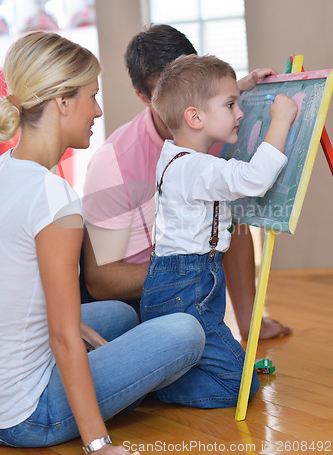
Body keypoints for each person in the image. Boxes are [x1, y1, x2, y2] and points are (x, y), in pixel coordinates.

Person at [0, 31, 206, 453]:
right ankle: (92, 417)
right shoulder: (54, 197)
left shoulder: (7, 170)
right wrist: (99, 445)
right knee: (185, 331)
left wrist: (83, 334)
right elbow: (60, 335)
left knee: (117, 315)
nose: (97, 110)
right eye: (91, 96)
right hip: (28, 415)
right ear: (61, 102)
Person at [82, 24, 291, 339]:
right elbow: (102, 280)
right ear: (143, 96)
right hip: (151, 296)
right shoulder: (113, 162)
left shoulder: (222, 129)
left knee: (229, 216)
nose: (186, 101)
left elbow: (236, 227)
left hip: (202, 290)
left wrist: (250, 323)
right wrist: (186, 267)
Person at [140, 54, 298, 407]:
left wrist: (244, 86)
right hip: (188, 288)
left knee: (229, 363)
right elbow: (255, 179)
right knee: (241, 386)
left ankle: (163, 373)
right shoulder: (196, 168)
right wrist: (281, 120)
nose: (239, 113)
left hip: (183, 282)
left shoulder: (174, 154)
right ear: (195, 117)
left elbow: (201, 103)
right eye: (231, 105)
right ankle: (151, 387)